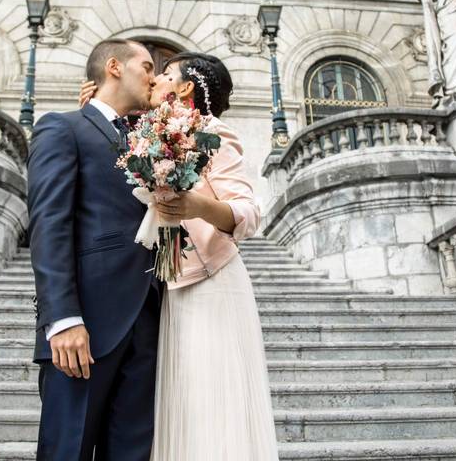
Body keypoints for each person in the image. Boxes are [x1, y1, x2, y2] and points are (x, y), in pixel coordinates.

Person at [80, 51, 279, 461]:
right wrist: (92, 111)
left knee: (209, 401)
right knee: (174, 401)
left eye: (165, 73)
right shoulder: (147, 132)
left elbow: (247, 211)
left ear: (185, 87)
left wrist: (196, 206)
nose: (153, 81)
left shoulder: (213, 132)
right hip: (162, 286)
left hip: (209, 284)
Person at [29, 39, 161, 461]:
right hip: (85, 327)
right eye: (147, 66)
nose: (154, 77)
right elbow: (50, 224)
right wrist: (62, 318)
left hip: (149, 322)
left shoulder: (149, 139)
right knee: (68, 451)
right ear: (114, 67)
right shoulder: (62, 127)